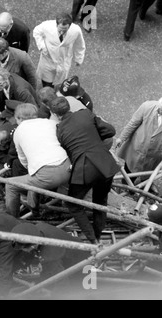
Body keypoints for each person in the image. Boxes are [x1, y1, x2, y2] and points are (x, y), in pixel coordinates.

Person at [50, 97, 119, 244]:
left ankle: (92, 239)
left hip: (84, 169)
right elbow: (110, 130)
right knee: (100, 202)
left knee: (74, 204)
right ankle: (98, 234)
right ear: (69, 106)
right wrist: (95, 140)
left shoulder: (59, 130)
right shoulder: (86, 114)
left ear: (55, 114)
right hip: (105, 164)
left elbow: (68, 151)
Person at [5, 103, 71, 218]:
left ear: (18, 118)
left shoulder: (18, 131)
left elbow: (23, 160)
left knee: (10, 185)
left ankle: (12, 220)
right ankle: (35, 207)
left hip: (47, 176)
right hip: (68, 168)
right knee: (33, 178)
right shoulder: (50, 122)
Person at [11, 222, 90, 282]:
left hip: (82, 262)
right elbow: (28, 256)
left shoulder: (50, 255)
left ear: (34, 245)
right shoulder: (37, 229)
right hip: (75, 246)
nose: (23, 251)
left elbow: (60, 281)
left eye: (23, 248)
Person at [33, 12, 86, 88]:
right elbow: (36, 32)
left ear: (70, 26)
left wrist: (78, 58)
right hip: (48, 60)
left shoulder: (76, 30)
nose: (62, 32)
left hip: (63, 61)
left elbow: (79, 45)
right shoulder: (46, 26)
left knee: (59, 84)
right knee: (47, 86)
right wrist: (42, 47)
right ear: (56, 24)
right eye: (60, 30)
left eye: (64, 30)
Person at [116, 97, 162, 174]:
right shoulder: (146, 107)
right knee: (129, 171)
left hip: (155, 154)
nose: (161, 110)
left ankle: (144, 183)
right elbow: (133, 123)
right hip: (137, 147)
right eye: (161, 107)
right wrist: (121, 138)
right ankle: (127, 184)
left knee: (148, 174)